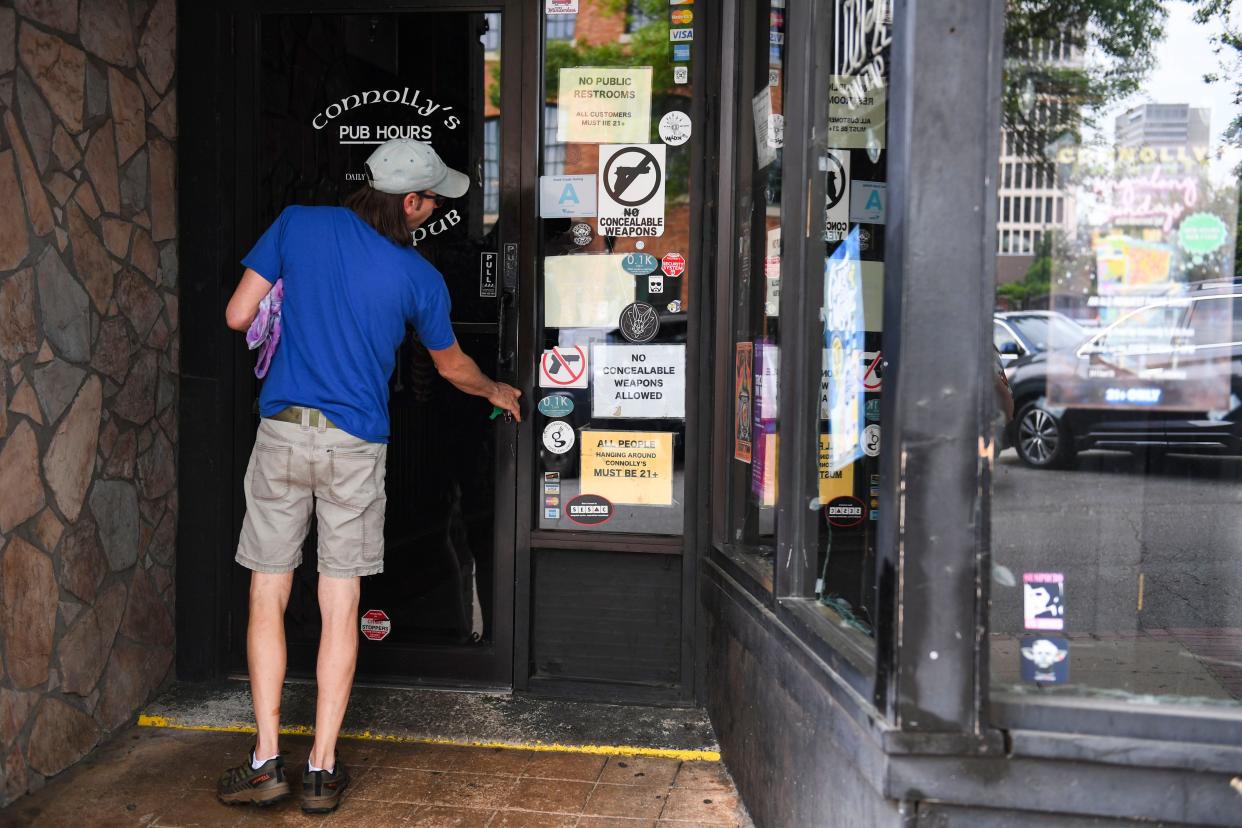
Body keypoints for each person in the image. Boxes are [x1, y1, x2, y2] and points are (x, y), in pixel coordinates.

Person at [215, 139, 521, 813]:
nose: (436, 208)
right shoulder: (416, 277)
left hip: (283, 434)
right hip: (355, 447)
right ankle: (321, 770)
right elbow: (451, 367)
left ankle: (267, 761)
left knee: (268, 591)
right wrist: (496, 389)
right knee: (340, 604)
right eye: (433, 198)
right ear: (408, 201)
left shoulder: (297, 224)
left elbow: (239, 314)